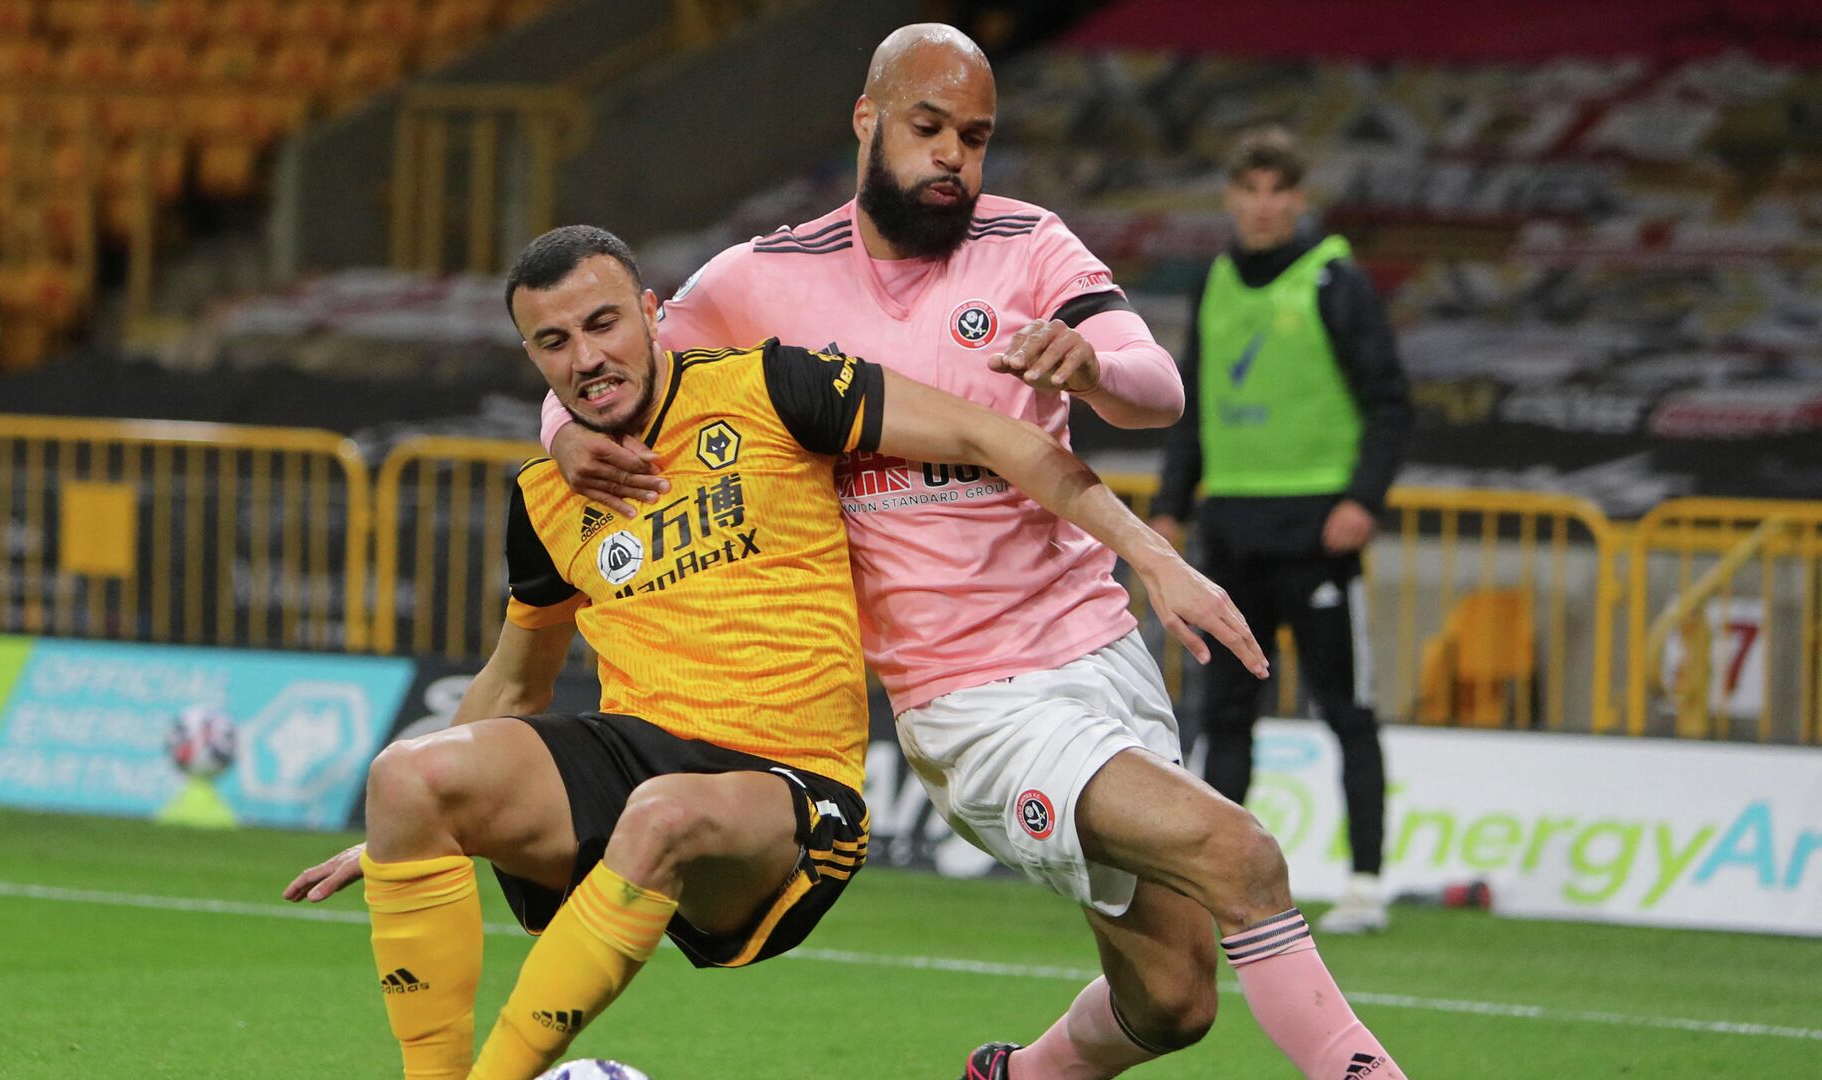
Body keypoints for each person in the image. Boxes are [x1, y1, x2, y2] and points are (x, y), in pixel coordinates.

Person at [533, 26, 1407, 1080]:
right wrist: (566, 433)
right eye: (928, 127)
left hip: (1099, 651)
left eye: (976, 137)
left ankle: (1017, 1075)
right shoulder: (758, 282)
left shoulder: (1030, 242)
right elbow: (618, 355)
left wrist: (1089, 362)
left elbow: (1156, 384)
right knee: (1242, 853)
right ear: (868, 121)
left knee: (1174, 1001)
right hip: (967, 699)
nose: (953, 155)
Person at [284, 225, 1266, 1079]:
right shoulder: (546, 497)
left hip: (792, 791)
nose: (585, 357)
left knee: (662, 815)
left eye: (602, 324)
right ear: (531, 358)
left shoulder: (770, 387)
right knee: (406, 775)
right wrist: (400, 834)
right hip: (639, 752)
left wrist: (1149, 553)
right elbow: (514, 681)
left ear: (654, 313)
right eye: (552, 342)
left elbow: (985, 432)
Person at [1151, 126, 1414, 935]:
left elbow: (1390, 400)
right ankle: (1211, 875)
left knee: (1347, 708)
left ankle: (1365, 882)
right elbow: (1193, 402)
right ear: (1231, 199)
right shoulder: (1216, 282)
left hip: (1317, 531)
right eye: (1249, 190)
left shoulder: (1334, 281)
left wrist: (1361, 499)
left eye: (1278, 191)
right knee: (1224, 716)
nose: (1263, 207)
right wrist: (1171, 505)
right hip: (1231, 530)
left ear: (1297, 199)